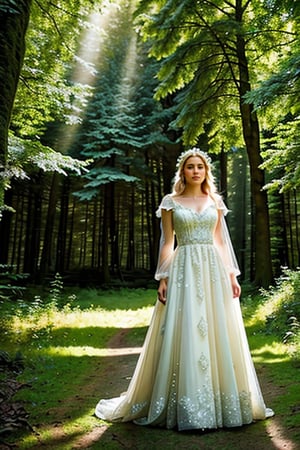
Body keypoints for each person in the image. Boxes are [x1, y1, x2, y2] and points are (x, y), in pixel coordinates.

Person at [95, 147, 274, 431]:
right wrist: (163, 277)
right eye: (190, 166)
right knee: (186, 328)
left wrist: (231, 276)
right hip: (184, 268)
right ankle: (185, 403)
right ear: (183, 171)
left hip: (213, 270)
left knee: (217, 330)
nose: (195, 171)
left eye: (199, 167)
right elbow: (168, 243)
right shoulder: (170, 202)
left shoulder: (214, 200)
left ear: (206, 171)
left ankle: (221, 403)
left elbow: (221, 243)